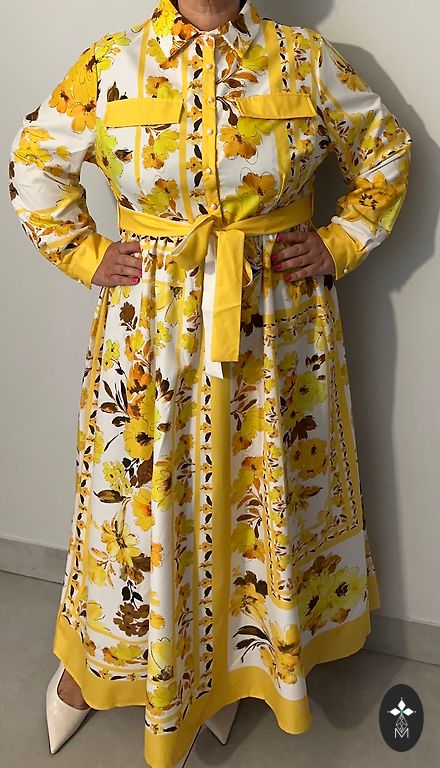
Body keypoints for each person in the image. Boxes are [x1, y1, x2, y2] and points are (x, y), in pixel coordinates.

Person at [8, 0, 411, 766]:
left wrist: (339, 243)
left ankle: (228, 668)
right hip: (149, 337)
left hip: (276, 333)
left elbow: (386, 151)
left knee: (252, 490)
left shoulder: (303, 58)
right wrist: (87, 254)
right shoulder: (110, 64)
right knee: (141, 497)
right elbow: (33, 165)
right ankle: (93, 669)